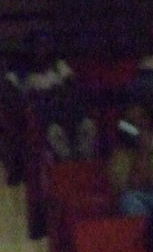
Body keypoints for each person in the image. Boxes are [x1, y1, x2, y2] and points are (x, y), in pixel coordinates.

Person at [6, 28, 96, 161]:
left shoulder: (58, 66)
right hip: (43, 119)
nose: (42, 50)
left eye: (45, 46)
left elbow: (73, 85)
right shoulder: (20, 74)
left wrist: (61, 90)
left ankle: (84, 159)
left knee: (88, 126)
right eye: (38, 46)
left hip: (67, 111)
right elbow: (13, 96)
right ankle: (66, 160)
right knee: (54, 132)